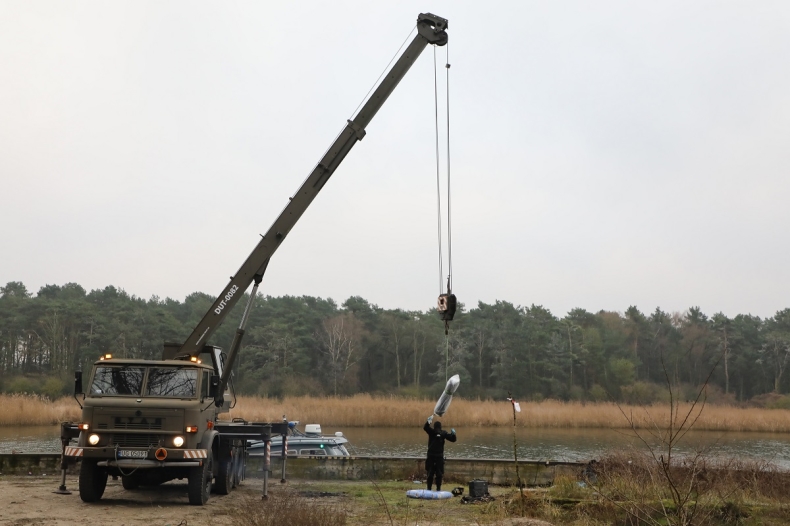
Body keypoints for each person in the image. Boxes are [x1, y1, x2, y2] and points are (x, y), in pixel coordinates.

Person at [423, 415, 456, 491]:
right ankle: (438, 489)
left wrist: (428, 422)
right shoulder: (443, 433)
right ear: (441, 427)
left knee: (430, 473)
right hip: (439, 457)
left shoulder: (432, 432)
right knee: (439, 474)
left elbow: (425, 427)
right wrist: (453, 434)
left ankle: (429, 488)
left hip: (431, 456)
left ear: (434, 427)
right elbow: (453, 439)